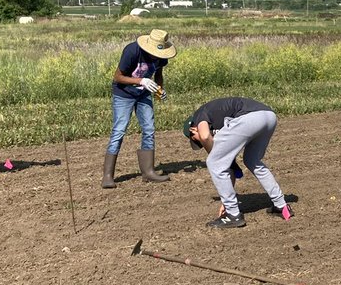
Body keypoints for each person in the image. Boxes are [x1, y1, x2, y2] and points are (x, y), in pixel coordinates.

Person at [183, 97, 291, 228]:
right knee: (253, 161)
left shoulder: (199, 115)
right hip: (269, 116)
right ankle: (281, 205)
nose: (199, 143)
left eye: (195, 140)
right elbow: (229, 168)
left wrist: (229, 206)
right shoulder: (220, 121)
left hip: (249, 118)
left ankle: (233, 216)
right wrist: (227, 199)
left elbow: (205, 136)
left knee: (213, 162)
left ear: (192, 129)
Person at [102, 28, 176, 189]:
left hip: (143, 95)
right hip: (123, 94)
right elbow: (117, 77)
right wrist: (140, 81)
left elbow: (158, 74)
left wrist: (159, 90)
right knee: (119, 130)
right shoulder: (132, 51)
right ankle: (107, 176)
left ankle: (148, 172)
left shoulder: (161, 57)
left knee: (149, 129)